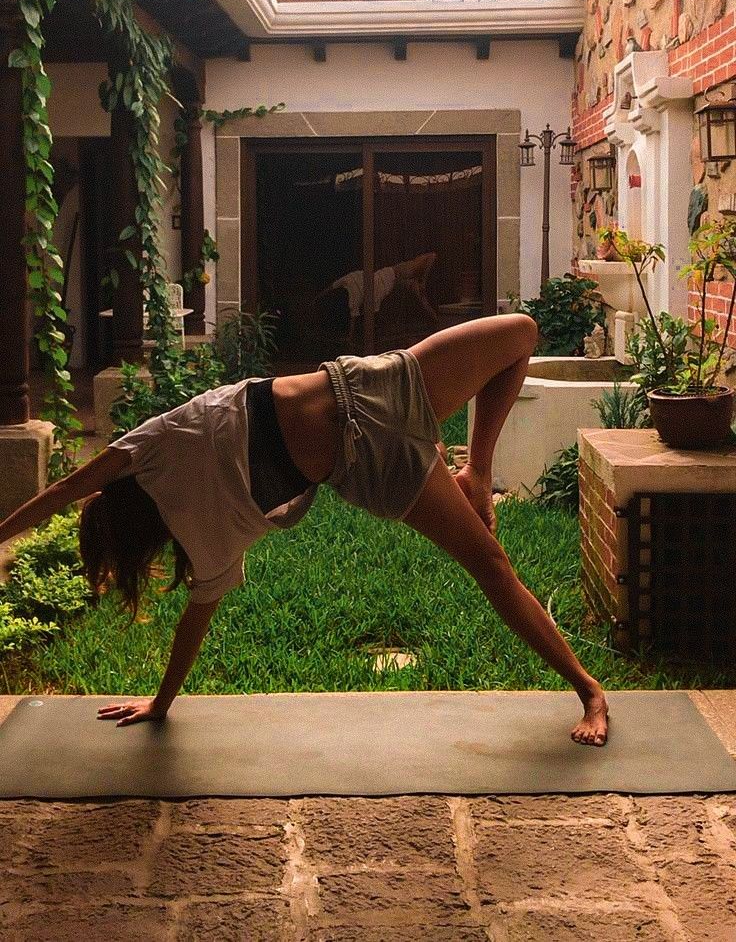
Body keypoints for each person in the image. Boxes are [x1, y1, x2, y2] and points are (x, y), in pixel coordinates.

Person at [0, 315, 609, 745]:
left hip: (371, 386)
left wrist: (161, 704)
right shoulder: (161, 471)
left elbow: (69, 498)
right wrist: (160, 704)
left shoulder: (163, 475)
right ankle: (589, 690)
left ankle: (478, 469)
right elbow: (65, 493)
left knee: (518, 339)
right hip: (371, 454)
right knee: (491, 562)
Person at [315, 251, 440, 345]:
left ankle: (437, 323)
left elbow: (354, 316)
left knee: (411, 283)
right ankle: (437, 323)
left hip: (391, 276)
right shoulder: (351, 281)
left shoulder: (358, 297)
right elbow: (331, 287)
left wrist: (350, 338)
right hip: (388, 277)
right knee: (421, 301)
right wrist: (317, 298)